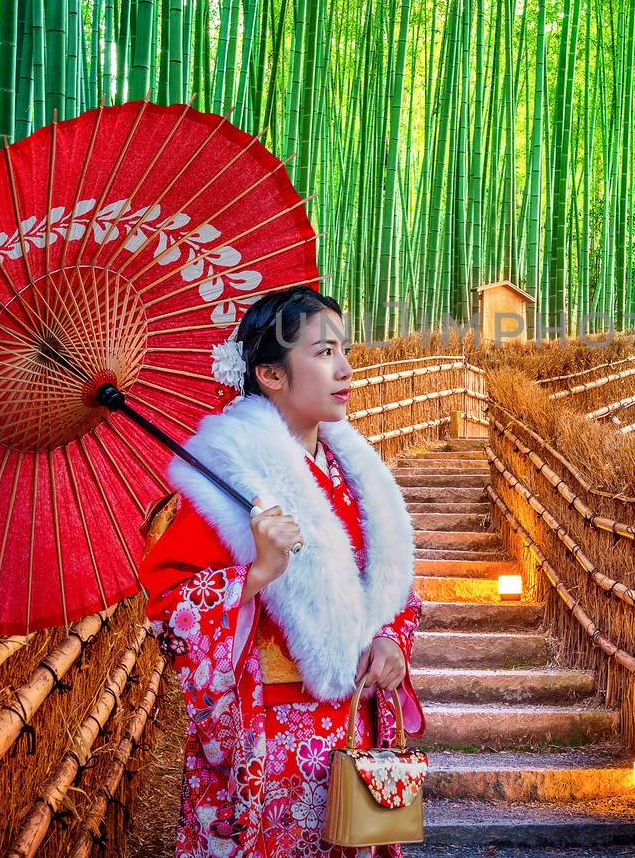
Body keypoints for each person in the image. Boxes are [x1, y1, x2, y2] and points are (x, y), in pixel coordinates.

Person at [139, 285, 424, 857]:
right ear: (270, 374)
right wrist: (257, 573)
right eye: (322, 353)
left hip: (351, 730)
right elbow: (171, 608)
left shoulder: (354, 473)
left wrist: (389, 639)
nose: (345, 368)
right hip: (268, 745)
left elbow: (392, 592)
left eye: (343, 350)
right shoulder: (231, 486)